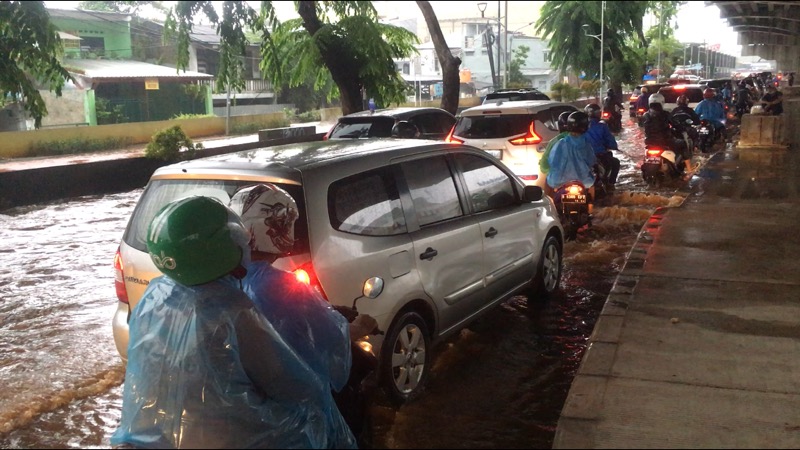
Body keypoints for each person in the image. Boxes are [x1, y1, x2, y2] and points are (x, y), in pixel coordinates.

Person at [111, 195, 346, 449]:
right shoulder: (233, 310)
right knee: (316, 417)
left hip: (152, 437)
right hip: (227, 440)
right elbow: (292, 384)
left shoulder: (153, 296)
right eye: (237, 239)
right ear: (219, 249)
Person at [229, 183, 378, 445]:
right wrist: (363, 326)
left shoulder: (225, 281)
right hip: (297, 406)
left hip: (249, 406)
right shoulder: (281, 285)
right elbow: (333, 337)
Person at [546, 111, 597, 201]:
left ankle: (549, 208)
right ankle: (590, 208)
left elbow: (552, 161)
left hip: (559, 181)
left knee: (547, 183)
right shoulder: (586, 144)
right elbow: (591, 161)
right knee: (592, 186)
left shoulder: (560, 143)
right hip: (584, 181)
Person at [642, 93, 693, 175]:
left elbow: (643, 127)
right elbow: (675, 124)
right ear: (662, 102)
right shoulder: (665, 114)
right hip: (665, 141)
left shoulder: (645, 115)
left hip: (649, 143)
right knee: (683, 143)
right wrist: (682, 129)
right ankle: (689, 169)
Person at [584, 103, 621, 191]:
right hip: (600, 155)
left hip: (584, 157)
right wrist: (613, 146)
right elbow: (611, 141)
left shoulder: (582, 127)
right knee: (616, 163)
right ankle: (610, 184)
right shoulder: (602, 126)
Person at [540, 111, 571, 192]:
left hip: (558, 179)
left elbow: (544, 164)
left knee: (548, 189)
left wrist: (546, 169)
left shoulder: (554, 141)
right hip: (581, 178)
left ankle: (550, 204)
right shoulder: (584, 140)